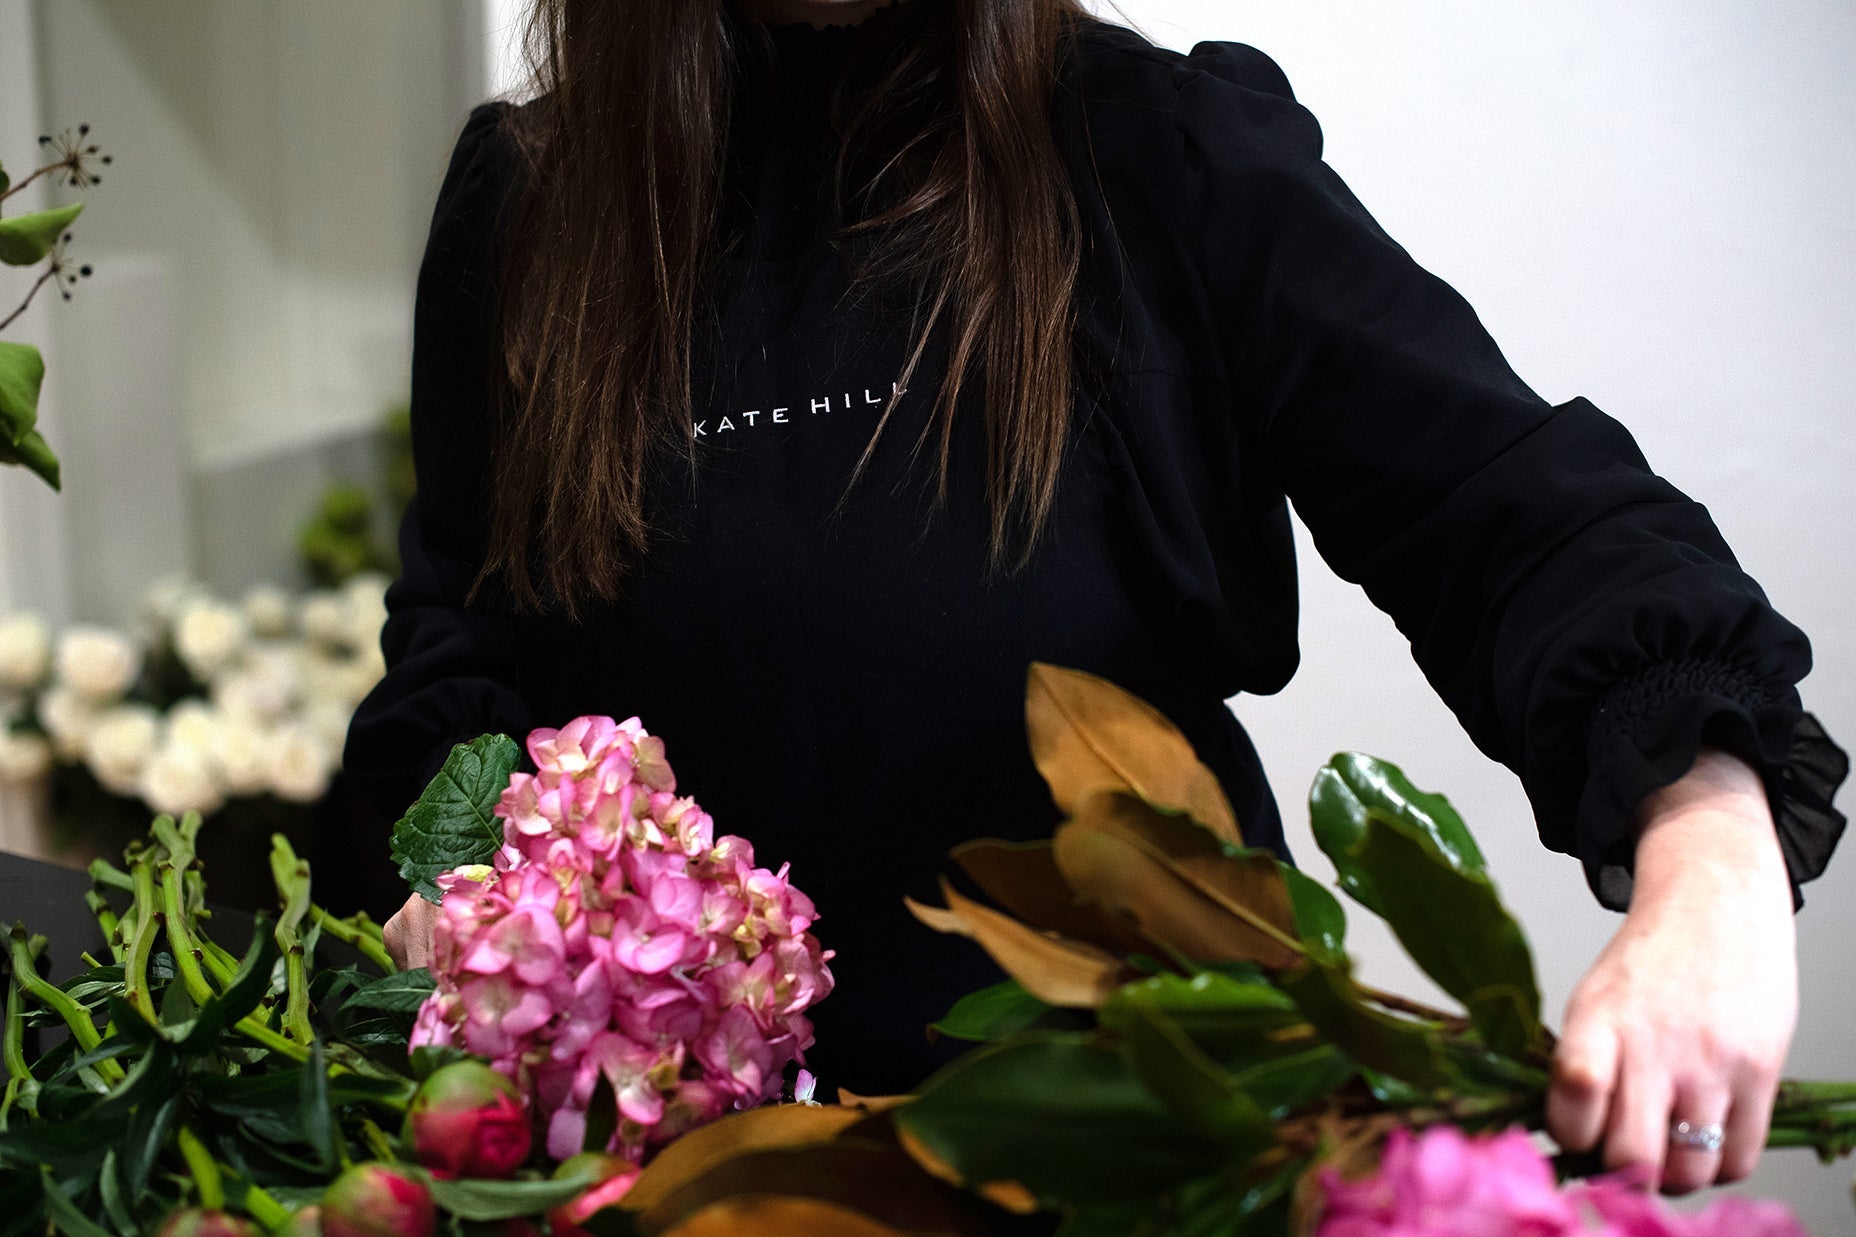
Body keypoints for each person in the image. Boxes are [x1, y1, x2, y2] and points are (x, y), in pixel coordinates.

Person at [343, 0, 1847, 1197]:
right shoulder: (529, 216)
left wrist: (1705, 833)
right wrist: (461, 902)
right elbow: (459, 668)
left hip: (1155, 1151)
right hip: (696, 1184)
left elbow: (1510, 513)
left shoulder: (1157, 156)